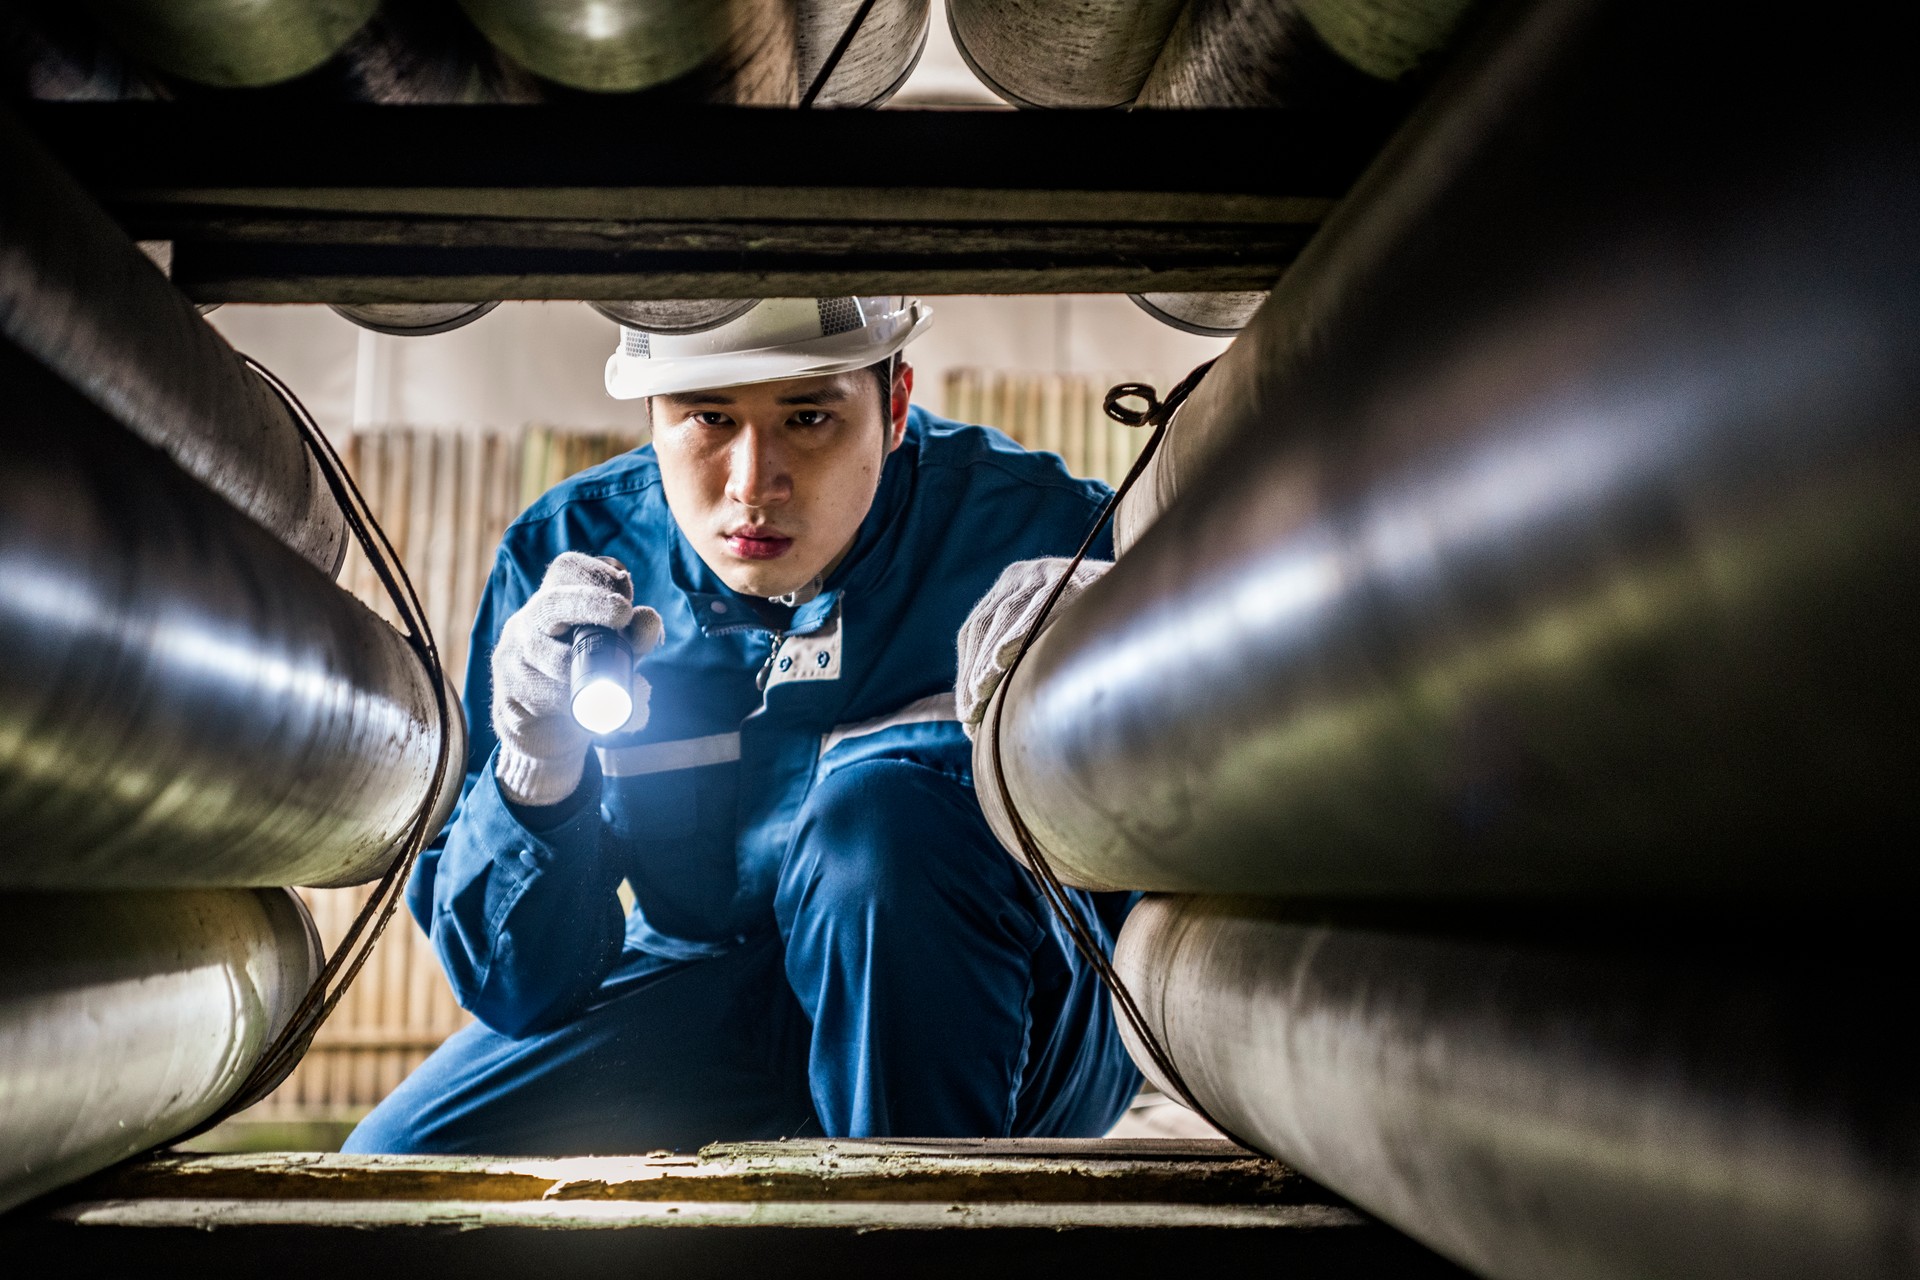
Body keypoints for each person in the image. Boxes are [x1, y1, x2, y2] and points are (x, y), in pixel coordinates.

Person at [345, 297, 1137, 1154]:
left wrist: (1141, 656)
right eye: (709, 417)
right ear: (652, 417)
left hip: (1002, 1010)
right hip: (711, 984)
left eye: (808, 416)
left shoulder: (1047, 534)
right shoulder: (568, 556)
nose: (753, 483)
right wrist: (538, 764)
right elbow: (514, 988)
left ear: (895, 407)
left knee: (878, 825)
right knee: (396, 1166)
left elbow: (1181, 853)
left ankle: (920, 1237)